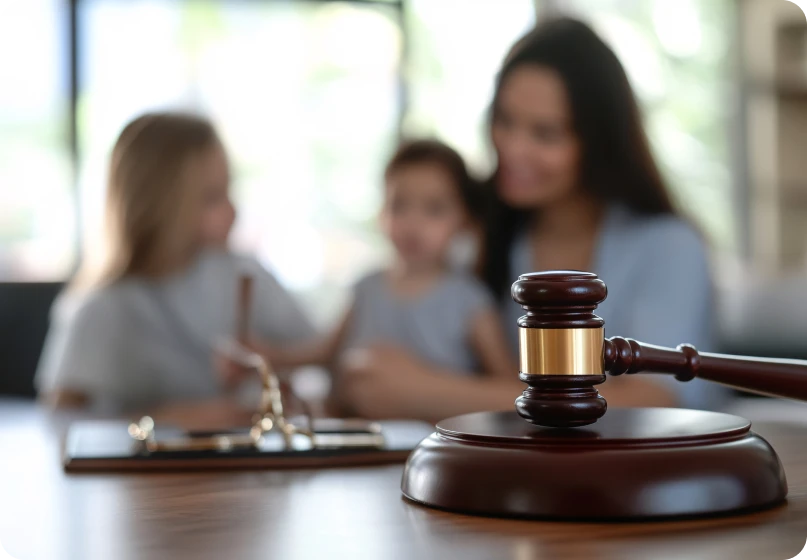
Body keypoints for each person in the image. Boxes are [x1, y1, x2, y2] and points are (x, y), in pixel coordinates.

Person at [336, 17, 725, 422]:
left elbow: (654, 400)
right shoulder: (476, 233)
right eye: (505, 120)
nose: (512, 148)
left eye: (545, 133)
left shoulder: (669, 247)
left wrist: (424, 393)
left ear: (598, 144)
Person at [36, 112, 315, 425]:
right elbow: (60, 421)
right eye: (211, 198)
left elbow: (320, 353)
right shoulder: (105, 308)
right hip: (154, 472)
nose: (233, 210)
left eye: (228, 190)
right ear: (161, 206)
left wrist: (278, 365)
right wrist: (168, 419)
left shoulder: (243, 276)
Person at [257, 140, 515, 416]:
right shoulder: (366, 288)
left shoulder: (470, 301)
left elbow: (508, 386)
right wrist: (268, 357)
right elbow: (324, 352)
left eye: (434, 208)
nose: (413, 223)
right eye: (399, 205)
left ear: (465, 219)